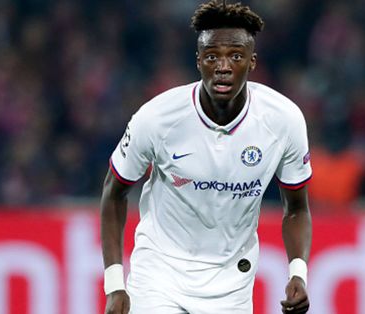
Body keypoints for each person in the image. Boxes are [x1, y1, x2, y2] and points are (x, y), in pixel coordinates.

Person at [99, 1, 312, 313]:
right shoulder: (158, 117)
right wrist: (115, 285)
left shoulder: (284, 120)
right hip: (160, 276)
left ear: (252, 63)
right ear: (198, 61)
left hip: (231, 288)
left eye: (235, 56)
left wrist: (298, 274)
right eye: (212, 56)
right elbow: (114, 192)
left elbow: (296, 207)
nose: (223, 66)